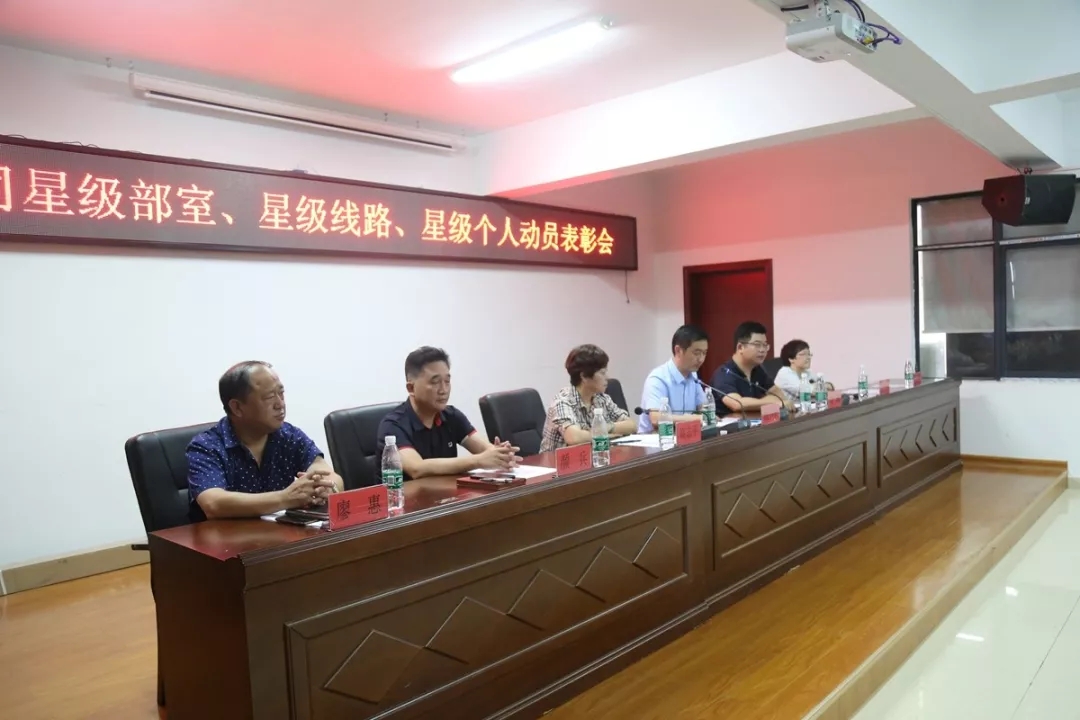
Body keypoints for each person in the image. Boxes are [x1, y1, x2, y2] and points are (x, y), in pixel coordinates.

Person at [186, 361, 343, 522]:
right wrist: (285, 498)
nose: (280, 404)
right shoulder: (206, 446)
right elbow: (213, 503)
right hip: (225, 536)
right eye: (269, 397)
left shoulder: (289, 435)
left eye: (281, 393)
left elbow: (326, 472)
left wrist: (325, 488)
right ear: (237, 408)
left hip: (279, 534)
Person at [376, 346, 521, 479]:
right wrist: (478, 460)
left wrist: (500, 454)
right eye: (435, 382)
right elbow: (417, 468)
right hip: (404, 498)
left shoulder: (451, 416)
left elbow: (485, 448)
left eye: (447, 381)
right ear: (411, 388)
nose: (443, 390)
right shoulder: (393, 425)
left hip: (446, 496)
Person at [540, 344, 637, 453]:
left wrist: (606, 427)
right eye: (602, 373)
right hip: (557, 462)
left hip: (592, 457)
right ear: (584, 376)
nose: (607, 378)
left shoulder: (601, 398)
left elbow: (631, 425)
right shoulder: (563, 401)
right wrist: (610, 434)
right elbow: (574, 438)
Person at [638, 325, 710, 433]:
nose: (701, 359)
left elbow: (703, 408)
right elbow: (656, 418)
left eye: (704, 353)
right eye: (697, 353)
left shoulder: (693, 376)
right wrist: (693, 418)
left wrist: (708, 415)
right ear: (678, 350)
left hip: (683, 436)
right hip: (654, 439)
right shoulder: (658, 378)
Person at [711, 321, 792, 416]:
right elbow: (737, 404)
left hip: (755, 422)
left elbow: (778, 394)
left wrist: (761, 403)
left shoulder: (757, 369)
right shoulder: (724, 373)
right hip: (731, 425)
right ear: (740, 347)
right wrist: (772, 402)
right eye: (757, 345)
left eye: (765, 345)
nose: (762, 350)